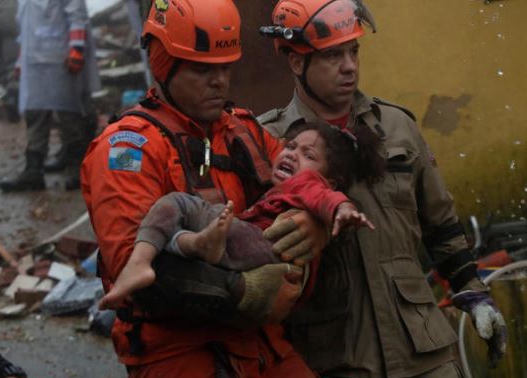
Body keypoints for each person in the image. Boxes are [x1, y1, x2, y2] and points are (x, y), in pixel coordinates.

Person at [258, 1, 508, 378]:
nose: (349, 66)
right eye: (333, 55)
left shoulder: (396, 126)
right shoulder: (268, 141)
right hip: (332, 357)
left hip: (422, 347)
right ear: (296, 62)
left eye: (354, 51)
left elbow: (441, 225)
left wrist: (474, 295)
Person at [81, 0, 328, 378]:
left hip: (261, 342)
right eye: (202, 69)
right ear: (165, 64)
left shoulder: (243, 131)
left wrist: (314, 224)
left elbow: (310, 186)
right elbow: (134, 265)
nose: (220, 82)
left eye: (225, 68)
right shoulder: (128, 148)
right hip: (177, 350)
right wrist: (243, 291)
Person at [99, 121, 382, 311]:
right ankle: (197, 244)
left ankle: (150, 260)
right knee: (174, 237)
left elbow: (325, 195)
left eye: (307, 154)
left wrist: (332, 216)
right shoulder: (131, 139)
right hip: (187, 334)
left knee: (176, 207)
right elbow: (121, 229)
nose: (217, 80)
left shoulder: (244, 129)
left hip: (254, 260)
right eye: (291, 146)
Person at [0, 0, 100, 192]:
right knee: (34, 113)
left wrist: (76, 47)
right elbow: (26, 25)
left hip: (60, 56)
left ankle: (78, 167)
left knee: (69, 113)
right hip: (35, 59)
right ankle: (33, 170)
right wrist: (22, 60)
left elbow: (76, 15)